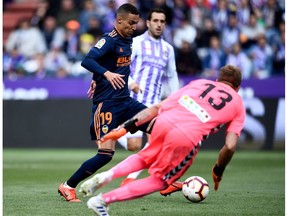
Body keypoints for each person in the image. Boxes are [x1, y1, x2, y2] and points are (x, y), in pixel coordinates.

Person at [79, 64, 246, 215]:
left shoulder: (200, 83)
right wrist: (218, 170)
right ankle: (102, 200)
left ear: (217, 80)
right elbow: (230, 146)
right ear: (237, 88)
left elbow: (157, 107)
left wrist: (124, 128)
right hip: (186, 136)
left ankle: (107, 175)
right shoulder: (237, 103)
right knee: (161, 181)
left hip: (163, 122)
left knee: (144, 157)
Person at [58, 3, 152, 202]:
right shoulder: (108, 40)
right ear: (119, 20)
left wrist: (97, 77)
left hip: (125, 101)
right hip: (107, 103)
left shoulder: (128, 40)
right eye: (131, 23)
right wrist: (105, 75)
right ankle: (68, 186)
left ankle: (164, 177)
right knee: (106, 154)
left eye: (136, 23)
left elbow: (107, 62)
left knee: (158, 124)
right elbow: (88, 60)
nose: (134, 27)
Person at [117, 7, 179, 186]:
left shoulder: (168, 49)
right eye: (156, 21)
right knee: (135, 146)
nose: (159, 25)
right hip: (133, 101)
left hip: (153, 104)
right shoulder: (135, 43)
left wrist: (174, 98)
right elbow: (122, 68)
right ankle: (113, 130)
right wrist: (131, 83)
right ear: (148, 22)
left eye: (162, 21)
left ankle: (132, 179)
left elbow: (172, 75)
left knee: (156, 144)